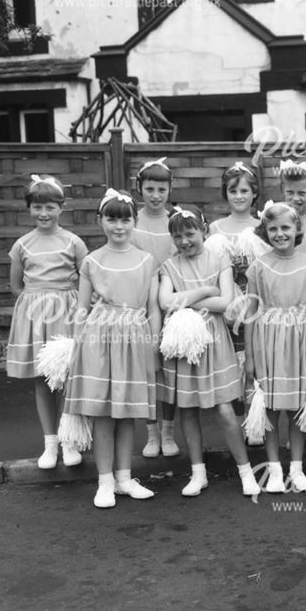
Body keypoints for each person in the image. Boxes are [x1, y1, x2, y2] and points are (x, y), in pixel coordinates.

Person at [63, 189, 160, 508]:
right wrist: (76, 344)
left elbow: (153, 307)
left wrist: (154, 341)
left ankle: (124, 478)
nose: (119, 226)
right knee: (104, 413)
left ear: (134, 221)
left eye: (125, 219)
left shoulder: (147, 260)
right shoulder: (92, 261)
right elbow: (82, 307)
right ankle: (105, 482)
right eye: (111, 219)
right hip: (100, 341)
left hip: (134, 339)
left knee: (127, 413)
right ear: (100, 221)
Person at [157, 206, 260, 497]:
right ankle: (198, 472)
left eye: (190, 234)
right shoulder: (169, 265)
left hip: (214, 342)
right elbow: (165, 302)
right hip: (185, 343)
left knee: (225, 409)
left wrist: (185, 299)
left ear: (203, 231)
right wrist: (204, 291)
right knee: (187, 409)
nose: (184, 241)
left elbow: (226, 302)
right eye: (177, 237)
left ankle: (245, 471)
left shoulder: (219, 259)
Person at [243, 202, 306, 494]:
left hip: (301, 339)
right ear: (265, 231)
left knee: (298, 406)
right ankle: (275, 469)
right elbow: (251, 311)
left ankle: (297, 468)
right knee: (271, 406)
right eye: (273, 228)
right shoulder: (259, 266)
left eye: (285, 227)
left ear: (297, 229)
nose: (280, 233)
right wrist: (250, 356)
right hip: (269, 340)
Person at [6, 174, 87, 469]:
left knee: (66, 378)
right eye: (37, 208)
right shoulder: (22, 245)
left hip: (65, 314)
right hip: (35, 317)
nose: (44, 214)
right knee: (43, 380)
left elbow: (87, 278)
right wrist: (35, 306)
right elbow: (16, 286)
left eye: (50, 207)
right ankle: (49, 443)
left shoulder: (73, 242)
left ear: (61, 208)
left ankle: (69, 441)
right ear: (29, 209)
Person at [132, 157, 180, 459]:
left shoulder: (175, 219)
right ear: (139, 188)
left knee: (170, 370)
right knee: (147, 367)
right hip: (139, 299)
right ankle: (151, 433)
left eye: (161, 189)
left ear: (170, 189)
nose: (155, 195)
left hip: (171, 298)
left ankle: (168, 432)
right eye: (149, 188)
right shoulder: (132, 219)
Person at [207, 161, 261, 294]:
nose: (238, 196)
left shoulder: (261, 227)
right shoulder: (215, 228)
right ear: (226, 193)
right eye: (233, 191)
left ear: (254, 193)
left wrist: (251, 267)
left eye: (244, 191)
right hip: (222, 295)